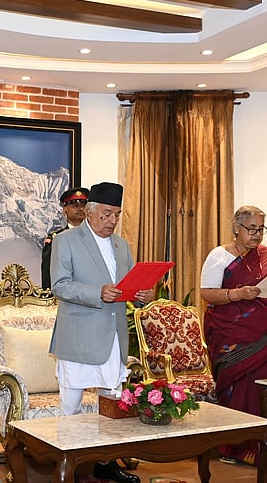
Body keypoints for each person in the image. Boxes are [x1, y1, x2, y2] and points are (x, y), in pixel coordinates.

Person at [49, 182, 153, 483]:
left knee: (112, 405)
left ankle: (106, 464)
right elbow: (59, 285)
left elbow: (129, 286)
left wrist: (142, 294)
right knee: (71, 405)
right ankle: (67, 465)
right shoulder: (66, 241)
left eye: (117, 215)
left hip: (113, 337)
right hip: (79, 335)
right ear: (90, 212)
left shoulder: (122, 245)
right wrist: (98, 292)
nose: (111, 221)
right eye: (106, 214)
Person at [199, 205, 267, 465]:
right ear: (236, 228)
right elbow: (207, 293)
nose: (257, 234)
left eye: (261, 229)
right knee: (235, 391)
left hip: (263, 338)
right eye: (251, 229)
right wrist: (237, 294)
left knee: (264, 391)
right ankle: (231, 448)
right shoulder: (219, 256)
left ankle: (263, 448)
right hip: (230, 335)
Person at [40, 187, 88, 289]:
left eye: (83, 205)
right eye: (75, 206)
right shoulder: (56, 239)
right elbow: (47, 276)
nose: (80, 209)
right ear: (65, 210)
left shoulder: (96, 237)